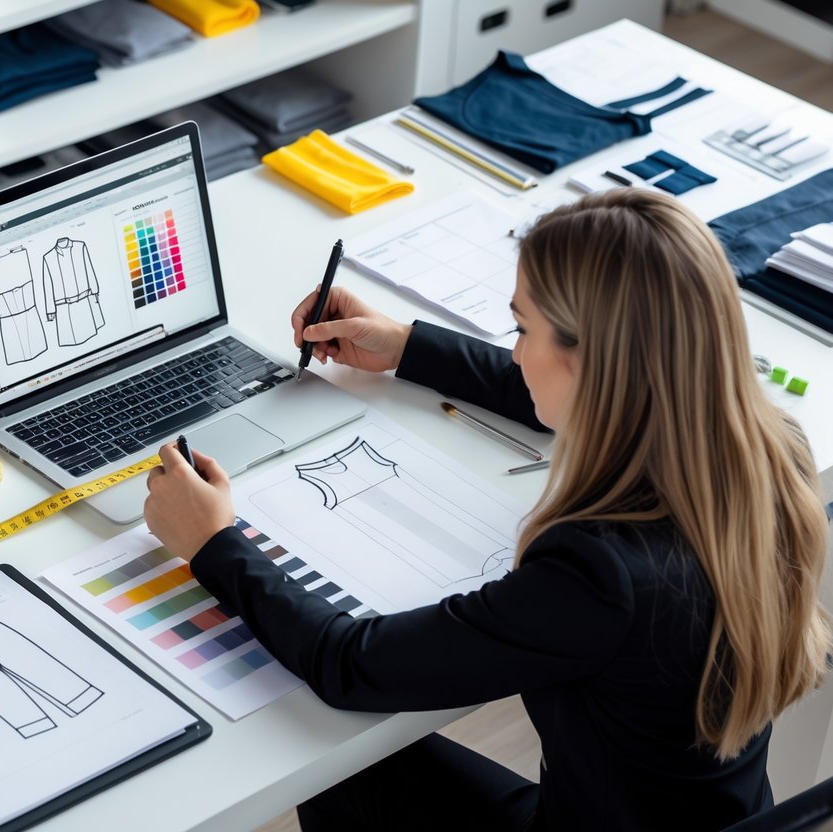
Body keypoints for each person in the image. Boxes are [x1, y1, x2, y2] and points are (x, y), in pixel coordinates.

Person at [143, 188, 831, 831]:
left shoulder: (599, 572)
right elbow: (556, 385)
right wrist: (406, 346)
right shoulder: (770, 451)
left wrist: (214, 543)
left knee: (337, 763)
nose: (515, 351)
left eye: (521, 329)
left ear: (593, 361)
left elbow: (351, 663)